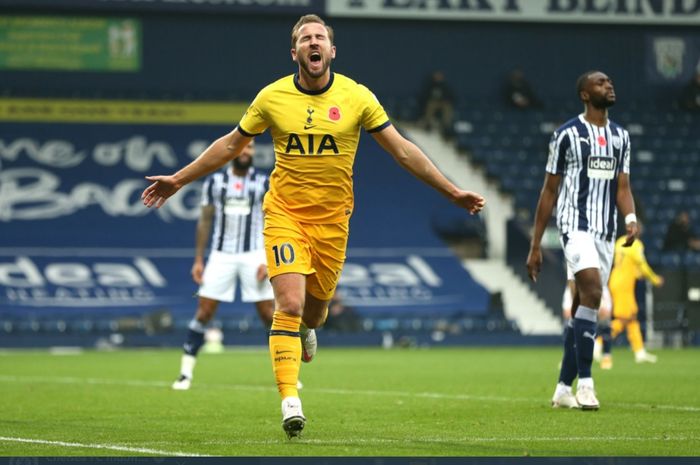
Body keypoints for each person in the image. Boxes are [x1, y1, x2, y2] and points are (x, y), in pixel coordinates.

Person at [141, 14, 485, 438]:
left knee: (315, 313)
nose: (313, 42)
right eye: (305, 38)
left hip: (333, 224)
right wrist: (179, 178)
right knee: (287, 303)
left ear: (332, 50)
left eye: (320, 37)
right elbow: (232, 143)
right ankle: (290, 402)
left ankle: (306, 328)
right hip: (284, 214)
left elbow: (403, 152)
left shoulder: (357, 97)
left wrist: (452, 192)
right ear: (295, 52)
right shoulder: (272, 97)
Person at [527, 70, 638, 411]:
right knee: (591, 292)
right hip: (575, 225)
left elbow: (622, 187)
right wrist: (535, 246)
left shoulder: (621, 137)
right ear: (585, 95)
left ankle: (563, 387)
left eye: (610, 81)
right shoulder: (567, 135)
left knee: (581, 311)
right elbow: (549, 190)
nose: (609, 85)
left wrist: (630, 218)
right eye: (601, 82)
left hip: (606, 233)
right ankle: (587, 385)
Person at [171, 140, 280, 391]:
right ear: (234, 151)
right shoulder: (214, 183)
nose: (246, 151)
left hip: (255, 253)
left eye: (251, 148)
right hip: (221, 255)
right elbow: (205, 221)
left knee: (268, 315)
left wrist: (268, 258)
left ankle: (286, 373)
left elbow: (273, 220)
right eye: (242, 147)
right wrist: (199, 259)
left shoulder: (264, 183)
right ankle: (185, 374)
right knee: (205, 312)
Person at [605, 224, 664, 368]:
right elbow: (642, 264)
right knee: (623, 318)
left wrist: (636, 273)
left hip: (615, 280)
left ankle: (639, 352)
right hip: (625, 284)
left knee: (632, 317)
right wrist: (655, 279)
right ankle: (598, 343)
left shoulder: (619, 241)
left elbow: (625, 263)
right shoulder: (636, 244)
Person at [417, 70, 456, 138]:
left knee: (447, 107)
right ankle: (428, 123)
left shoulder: (445, 86)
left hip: (443, 103)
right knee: (431, 105)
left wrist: (444, 100)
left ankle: (446, 127)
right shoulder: (430, 85)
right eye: (436, 76)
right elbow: (425, 96)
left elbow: (450, 96)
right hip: (433, 102)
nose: (438, 78)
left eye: (439, 76)